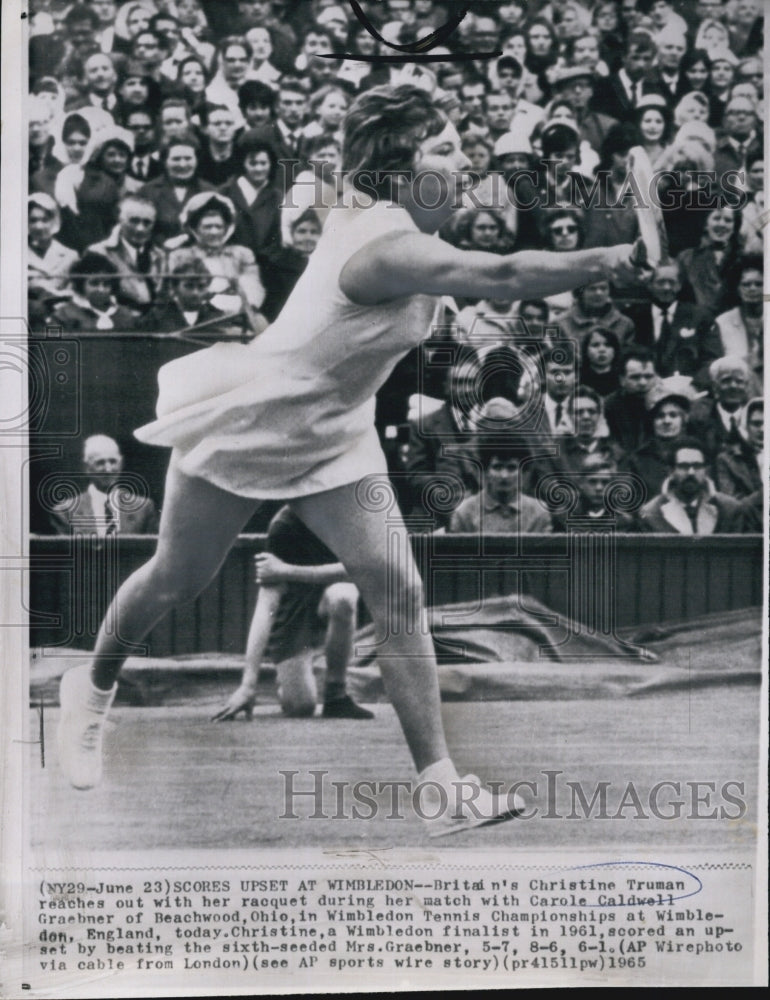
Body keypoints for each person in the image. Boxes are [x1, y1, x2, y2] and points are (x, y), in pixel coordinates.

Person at [57, 84, 648, 835]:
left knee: (398, 590)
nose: (463, 157)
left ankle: (440, 789)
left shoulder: (393, 224)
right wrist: (615, 255)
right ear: (403, 172)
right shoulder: (386, 248)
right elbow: (502, 275)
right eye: (443, 147)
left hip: (339, 432)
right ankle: (93, 686)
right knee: (176, 576)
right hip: (257, 419)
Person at [212, 505, 374, 722]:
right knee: (301, 707)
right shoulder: (284, 526)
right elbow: (266, 605)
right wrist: (247, 685)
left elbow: (359, 569)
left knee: (343, 597)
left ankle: (336, 694)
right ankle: (290, 676)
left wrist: (287, 571)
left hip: (328, 599)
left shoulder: (351, 514)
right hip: (295, 611)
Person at [48, 434, 159, 535]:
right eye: (100, 462)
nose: (108, 469)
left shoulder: (143, 508)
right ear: (87, 468)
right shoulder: (65, 511)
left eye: (113, 461)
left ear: (121, 464)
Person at [638, 437, 751, 534]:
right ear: (671, 471)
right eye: (684, 466)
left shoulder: (729, 509)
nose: (691, 473)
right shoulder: (651, 513)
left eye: (697, 466)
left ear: (706, 470)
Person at [448, 441, 553, 534]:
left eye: (511, 468)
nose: (504, 476)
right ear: (485, 471)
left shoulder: (539, 513)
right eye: (497, 467)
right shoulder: (465, 513)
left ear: (523, 472)